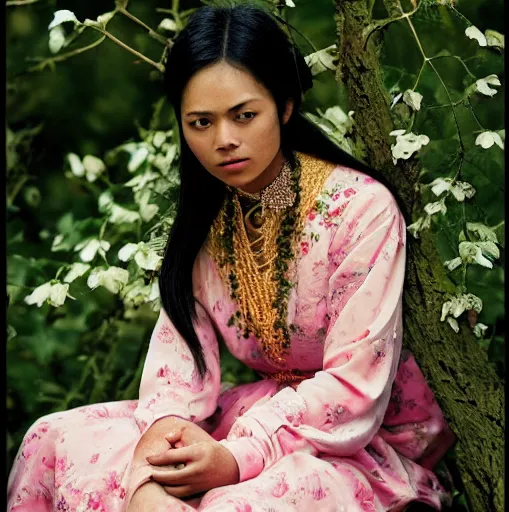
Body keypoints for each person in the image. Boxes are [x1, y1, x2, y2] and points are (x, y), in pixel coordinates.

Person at [7, 3, 456, 511]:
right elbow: (179, 373)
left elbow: (354, 385)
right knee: (52, 437)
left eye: (244, 116)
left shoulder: (359, 210)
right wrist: (152, 473)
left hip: (355, 437)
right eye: (201, 122)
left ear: (285, 106)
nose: (224, 140)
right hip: (258, 416)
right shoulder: (210, 217)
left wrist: (236, 457)